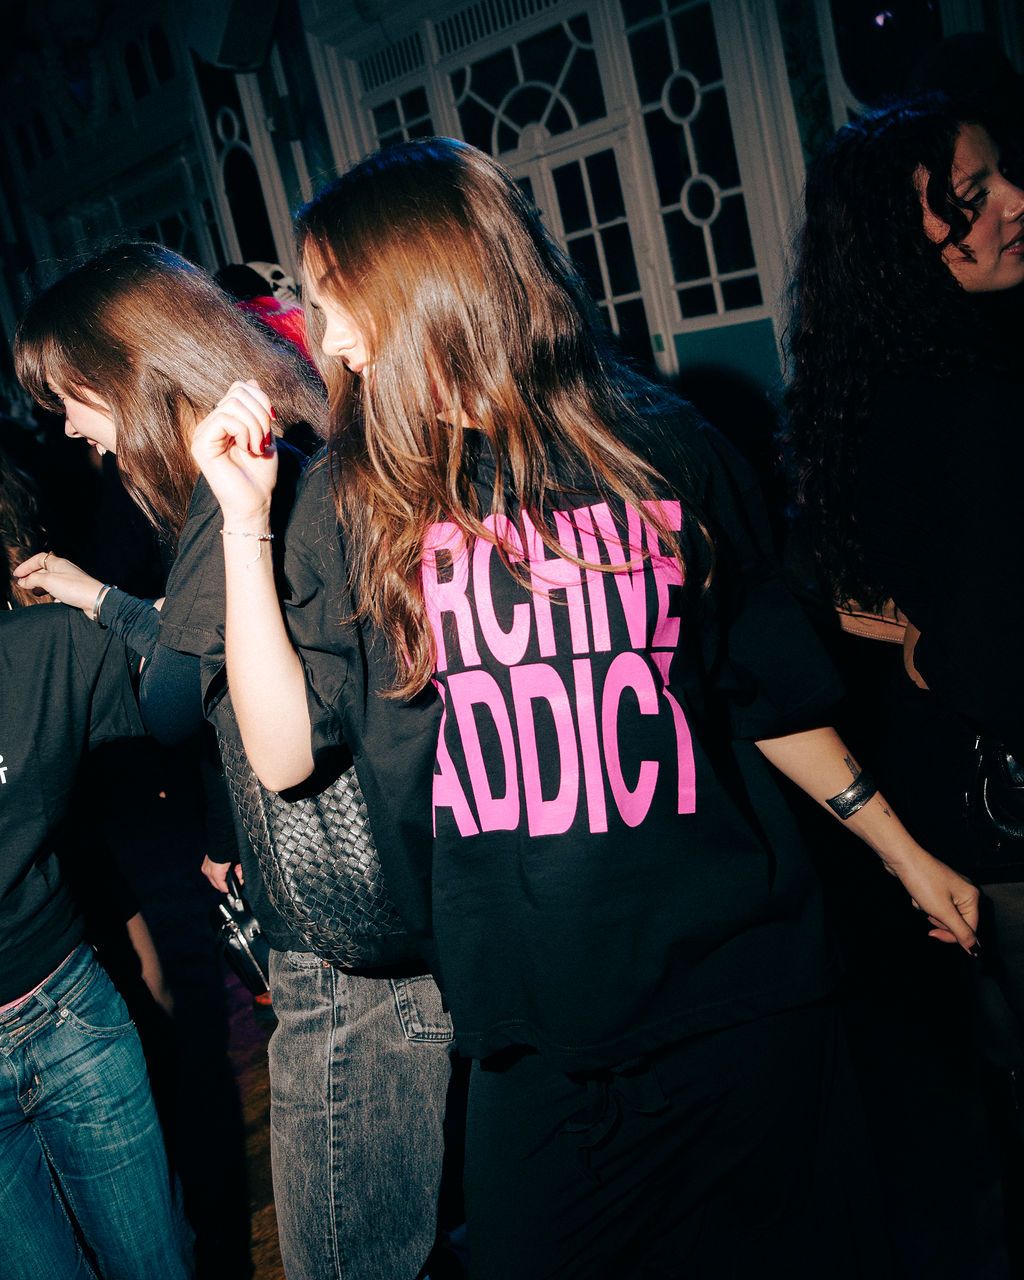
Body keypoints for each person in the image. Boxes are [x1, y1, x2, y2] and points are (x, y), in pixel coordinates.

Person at [190, 136, 981, 1279]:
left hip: (746, 991)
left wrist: (900, 849)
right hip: (535, 1034)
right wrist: (243, 517)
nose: (330, 336)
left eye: (336, 296)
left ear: (425, 286)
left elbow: (760, 688)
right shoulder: (357, 498)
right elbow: (277, 754)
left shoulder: (659, 445)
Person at [13, 242, 453, 1280]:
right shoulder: (265, 462)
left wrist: (100, 621)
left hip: (342, 944)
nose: (67, 426)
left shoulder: (246, 494)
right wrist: (97, 598)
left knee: (341, 1252)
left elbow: (176, 696)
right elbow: (200, 647)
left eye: (70, 396)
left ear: (128, 368)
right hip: (352, 925)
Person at [784, 93, 1024, 1275]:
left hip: (953, 805)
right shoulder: (964, 395)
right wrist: (949, 647)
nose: (1013, 203)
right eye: (971, 198)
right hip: (997, 803)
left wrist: (921, 643)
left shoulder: (857, 391)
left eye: (998, 177)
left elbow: (843, 595)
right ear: (900, 238)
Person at [0, 451, 194, 1280]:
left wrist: (103, 600)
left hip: (66, 1013)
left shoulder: (42, 649)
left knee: (155, 1264)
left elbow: (201, 653)